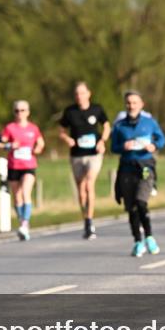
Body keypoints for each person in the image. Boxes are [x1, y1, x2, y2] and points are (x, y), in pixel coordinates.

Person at [111, 90, 165, 257]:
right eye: (128, 103)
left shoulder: (149, 123)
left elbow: (161, 139)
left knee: (141, 202)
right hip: (127, 168)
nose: (131, 106)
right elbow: (113, 147)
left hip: (145, 167)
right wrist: (123, 147)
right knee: (132, 208)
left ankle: (149, 237)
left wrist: (154, 146)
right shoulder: (120, 126)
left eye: (135, 102)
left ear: (141, 105)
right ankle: (137, 241)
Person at [58, 82, 110, 239]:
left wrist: (102, 141)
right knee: (81, 190)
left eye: (82, 93)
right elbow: (61, 130)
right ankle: (85, 219)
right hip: (76, 154)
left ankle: (90, 221)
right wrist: (67, 139)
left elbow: (107, 126)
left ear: (89, 93)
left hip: (93, 154)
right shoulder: (70, 111)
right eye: (77, 94)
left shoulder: (97, 109)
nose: (79, 96)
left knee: (89, 183)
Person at [0, 100, 45, 240]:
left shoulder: (33, 128)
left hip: (29, 166)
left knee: (26, 193)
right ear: (14, 112)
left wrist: (38, 149)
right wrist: (10, 145)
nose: (20, 113)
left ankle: (25, 224)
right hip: (14, 166)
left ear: (28, 112)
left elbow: (41, 142)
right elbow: (0, 143)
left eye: (23, 110)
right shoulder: (10, 127)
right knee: (17, 197)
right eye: (17, 111)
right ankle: (22, 223)